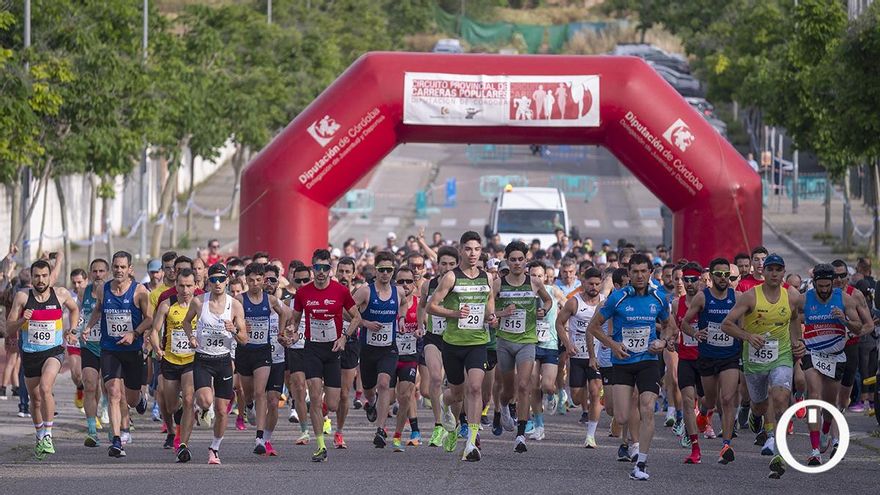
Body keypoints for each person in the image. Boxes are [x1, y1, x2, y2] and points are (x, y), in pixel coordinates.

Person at [587, 253, 675, 481]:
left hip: (647, 361)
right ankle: (631, 441)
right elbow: (593, 326)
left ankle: (641, 463)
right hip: (622, 362)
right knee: (622, 416)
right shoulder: (618, 298)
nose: (639, 275)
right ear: (629, 274)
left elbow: (669, 326)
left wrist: (662, 341)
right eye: (634, 271)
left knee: (647, 407)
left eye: (643, 271)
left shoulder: (659, 298)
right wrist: (613, 345)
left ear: (650, 273)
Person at [720, 254, 805, 479]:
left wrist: (797, 341)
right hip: (755, 361)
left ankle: (780, 452)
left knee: (779, 398)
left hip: (782, 356)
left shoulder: (791, 295)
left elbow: (795, 317)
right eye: (771, 269)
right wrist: (748, 336)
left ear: (783, 272)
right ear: (764, 272)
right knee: (759, 405)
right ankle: (755, 417)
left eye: (779, 270)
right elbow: (726, 324)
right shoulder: (750, 297)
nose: (775, 274)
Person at [428, 231, 497, 461]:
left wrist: (491, 317)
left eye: (477, 249)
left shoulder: (486, 278)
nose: (473, 253)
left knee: (475, 388)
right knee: (456, 393)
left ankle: (470, 444)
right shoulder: (450, 277)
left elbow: (489, 305)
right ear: (461, 251)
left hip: (478, 342)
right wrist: (454, 313)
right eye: (468, 249)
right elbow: (431, 307)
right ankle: (444, 403)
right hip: (453, 343)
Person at [289, 249, 362, 462]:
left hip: (333, 350)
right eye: (317, 267)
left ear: (330, 270)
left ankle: (324, 412)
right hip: (312, 348)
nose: (321, 272)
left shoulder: (340, 291)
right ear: (313, 269)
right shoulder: (303, 293)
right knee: (313, 393)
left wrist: (344, 338)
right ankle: (320, 446)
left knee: (332, 403)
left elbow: (356, 317)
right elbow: (295, 318)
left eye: (325, 268)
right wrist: (290, 332)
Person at [6, 259, 80, 460]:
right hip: (30, 354)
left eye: (44, 275)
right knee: (35, 399)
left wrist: (72, 329)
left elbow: (74, 309)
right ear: (31, 277)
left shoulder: (61, 294)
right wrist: (23, 319)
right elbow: (8, 329)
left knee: (46, 388)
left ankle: (48, 434)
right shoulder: (22, 297)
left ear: (50, 276)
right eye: (37, 276)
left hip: (54, 351)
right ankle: (40, 435)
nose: (41, 280)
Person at [182, 263, 248, 465]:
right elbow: (186, 322)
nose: (217, 283)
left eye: (221, 279)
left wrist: (234, 330)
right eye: (213, 279)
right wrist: (191, 337)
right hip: (203, 359)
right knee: (204, 400)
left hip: (224, 360)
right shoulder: (198, 302)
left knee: (221, 410)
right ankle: (202, 409)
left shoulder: (234, 305)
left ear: (227, 280)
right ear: (208, 282)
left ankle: (215, 448)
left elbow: (244, 339)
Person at [797, 264, 862, 463]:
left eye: (827, 286)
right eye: (821, 286)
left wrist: (845, 320)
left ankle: (825, 429)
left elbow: (858, 327)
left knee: (829, 404)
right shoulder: (804, 299)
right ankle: (815, 449)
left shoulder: (843, 298)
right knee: (814, 398)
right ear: (814, 283)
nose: (824, 290)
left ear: (832, 283)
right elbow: (792, 319)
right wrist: (797, 341)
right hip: (812, 353)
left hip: (835, 356)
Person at [493, 241, 553, 453]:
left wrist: (543, 311)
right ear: (507, 261)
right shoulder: (498, 284)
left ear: (526, 261)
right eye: (513, 259)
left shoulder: (534, 282)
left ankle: (520, 435)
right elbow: (488, 310)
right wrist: (501, 314)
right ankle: (502, 406)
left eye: (520, 259)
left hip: (527, 341)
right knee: (508, 389)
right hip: (505, 341)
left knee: (524, 385)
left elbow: (548, 301)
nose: (517, 263)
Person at [681, 258, 740, 465]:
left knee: (728, 398)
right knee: (711, 400)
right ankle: (704, 412)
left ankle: (726, 445)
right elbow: (685, 323)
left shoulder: (737, 297)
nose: (723, 279)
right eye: (719, 274)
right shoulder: (702, 297)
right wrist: (696, 333)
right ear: (712, 276)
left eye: (727, 275)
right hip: (707, 356)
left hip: (730, 356)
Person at [352, 251, 407, 448]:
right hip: (368, 349)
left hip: (388, 349)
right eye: (381, 269)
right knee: (369, 389)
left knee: (384, 383)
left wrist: (401, 318)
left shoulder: (398, 292)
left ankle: (381, 429)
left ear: (393, 271)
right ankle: (371, 402)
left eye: (389, 270)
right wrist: (364, 322)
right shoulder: (365, 291)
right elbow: (345, 311)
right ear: (376, 270)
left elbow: (405, 304)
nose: (385, 273)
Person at [235, 262, 289, 455]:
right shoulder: (239, 299)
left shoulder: (271, 300)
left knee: (261, 392)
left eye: (259, 280)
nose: (255, 283)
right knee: (248, 393)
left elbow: (285, 313)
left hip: (263, 352)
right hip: (244, 351)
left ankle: (259, 437)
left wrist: (281, 332)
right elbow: (231, 320)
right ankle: (248, 407)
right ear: (246, 280)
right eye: (251, 280)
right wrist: (239, 328)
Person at [150, 268, 199, 462]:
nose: (185, 290)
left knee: (188, 399)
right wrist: (157, 348)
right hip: (170, 360)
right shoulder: (166, 305)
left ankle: (183, 445)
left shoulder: (201, 305)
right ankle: (178, 420)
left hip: (191, 361)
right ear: (176, 285)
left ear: (196, 286)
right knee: (171, 406)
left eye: (189, 285)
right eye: (181, 285)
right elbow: (155, 330)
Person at [556, 267, 603, 448]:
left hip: (597, 356)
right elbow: (559, 323)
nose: (594, 287)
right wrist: (567, 344)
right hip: (577, 355)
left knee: (594, 392)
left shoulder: (605, 303)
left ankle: (590, 436)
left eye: (597, 284)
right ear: (583, 283)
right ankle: (584, 405)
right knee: (576, 397)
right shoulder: (574, 303)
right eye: (590, 283)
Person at [418, 246, 459, 447]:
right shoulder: (429, 284)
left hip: (456, 339)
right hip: (433, 337)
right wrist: (420, 324)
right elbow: (422, 305)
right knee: (435, 378)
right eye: (444, 263)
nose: (447, 267)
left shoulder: (461, 284)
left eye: (452, 264)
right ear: (437, 264)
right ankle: (438, 426)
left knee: (456, 387)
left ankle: (455, 426)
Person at [671, 262, 708, 464]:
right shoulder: (677, 303)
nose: (690, 283)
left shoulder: (708, 302)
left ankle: (703, 416)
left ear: (701, 280)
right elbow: (672, 327)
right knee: (687, 400)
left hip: (705, 359)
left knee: (707, 402)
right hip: (685, 358)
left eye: (694, 280)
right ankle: (695, 448)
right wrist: (668, 339)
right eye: (687, 280)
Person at [74, 259, 109, 447]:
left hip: (109, 346)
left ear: (107, 272)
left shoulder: (112, 291)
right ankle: (92, 431)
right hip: (89, 345)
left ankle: (114, 427)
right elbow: (78, 315)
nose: (98, 274)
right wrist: (75, 331)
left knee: (109, 387)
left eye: (101, 271)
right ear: (90, 273)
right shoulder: (83, 292)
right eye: (94, 271)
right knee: (89, 384)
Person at [391, 266, 421, 451]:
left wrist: (421, 330)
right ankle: (375, 407)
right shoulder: (389, 302)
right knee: (387, 399)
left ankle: (413, 431)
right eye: (400, 281)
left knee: (406, 393)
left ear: (414, 284)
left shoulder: (419, 304)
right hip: (389, 355)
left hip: (410, 356)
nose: (405, 285)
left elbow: (429, 325)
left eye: (408, 281)